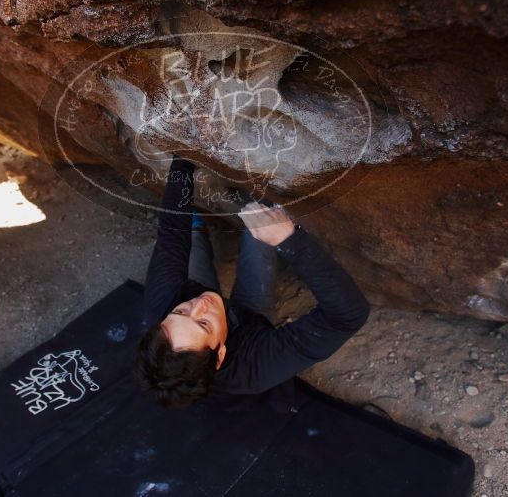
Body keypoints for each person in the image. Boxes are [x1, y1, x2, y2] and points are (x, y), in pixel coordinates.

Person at [135, 155, 371, 410]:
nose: (199, 305)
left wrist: (183, 159)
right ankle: (263, 201)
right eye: (202, 324)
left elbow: (172, 234)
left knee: (188, 238)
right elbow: (348, 316)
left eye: (181, 311)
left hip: (215, 312)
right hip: (250, 323)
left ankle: (201, 224)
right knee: (265, 229)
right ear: (220, 355)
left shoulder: (161, 310)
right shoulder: (255, 367)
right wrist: (289, 240)